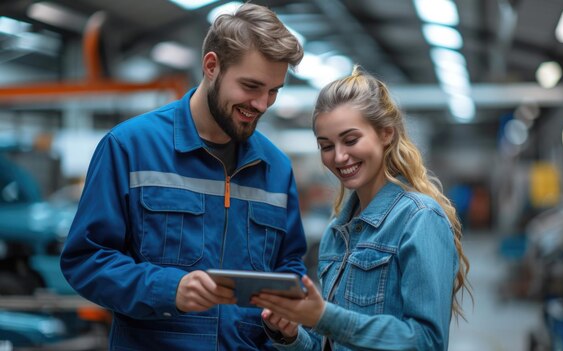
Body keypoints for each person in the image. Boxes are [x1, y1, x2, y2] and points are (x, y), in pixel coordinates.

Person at [60, 3, 308, 350]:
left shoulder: (275, 168)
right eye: (251, 86)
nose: (263, 104)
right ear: (211, 66)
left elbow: (289, 264)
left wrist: (286, 318)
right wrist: (167, 288)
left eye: (274, 91)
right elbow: (86, 258)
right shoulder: (130, 147)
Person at [251, 67, 471, 350]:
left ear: (385, 134)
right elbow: (328, 344)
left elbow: (427, 342)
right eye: (326, 145)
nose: (339, 156)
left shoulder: (420, 219)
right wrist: (289, 334)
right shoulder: (336, 232)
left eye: (351, 140)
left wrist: (325, 317)